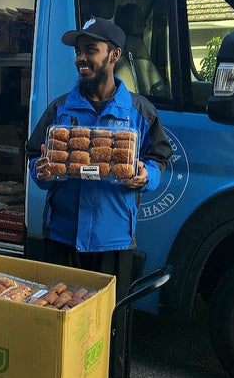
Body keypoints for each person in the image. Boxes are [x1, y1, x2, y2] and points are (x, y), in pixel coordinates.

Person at [27, 16, 172, 305]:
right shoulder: (59, 109)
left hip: (113, 239)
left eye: (90, 50)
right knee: (59, 316)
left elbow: (159, 158)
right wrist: (40, 172)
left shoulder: (139, 110)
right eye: (78, 51)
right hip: (62, 237)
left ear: (114, 55)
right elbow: (34, 156)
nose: (81, 57)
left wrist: (147, 176)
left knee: (107, 322)